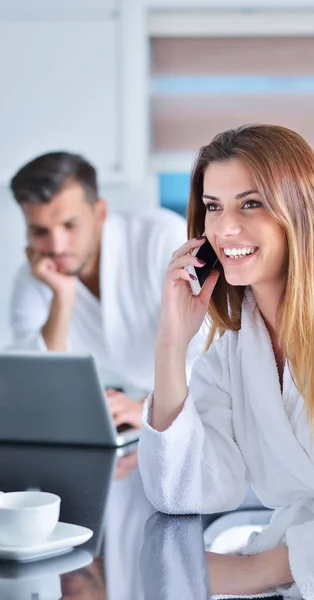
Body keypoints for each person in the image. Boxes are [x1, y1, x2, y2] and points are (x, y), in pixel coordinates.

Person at [138, 124, 314, 599]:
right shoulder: (237, 342)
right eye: (213, 207)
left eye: (250, 204)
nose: (223, 229)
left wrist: (255, 572)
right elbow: (183, 491)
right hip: (299, 575)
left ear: (300, 211)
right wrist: (170, 346)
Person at [9, 151, 206, 431]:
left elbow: (213, 349)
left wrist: (148, 407)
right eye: (40, 231)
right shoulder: (36, 278)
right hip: (129, 417)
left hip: (201, 411)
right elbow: (36, 382)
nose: (57, 246)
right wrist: (62, 298)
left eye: (69, 225)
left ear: (100, 212)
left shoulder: (161, 238)